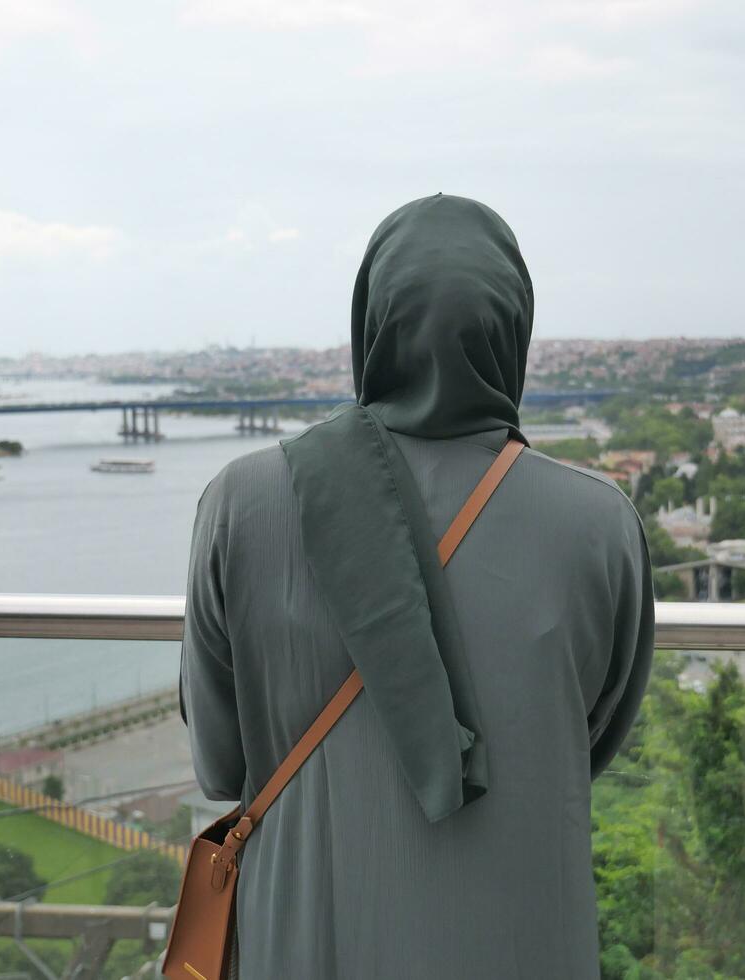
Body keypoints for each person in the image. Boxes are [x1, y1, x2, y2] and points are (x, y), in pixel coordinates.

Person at [180, 193, 655, 978]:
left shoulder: (241, 502)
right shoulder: (602, 524)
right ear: (515, 329)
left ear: (371, 322)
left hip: (307, 937)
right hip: (521, 935)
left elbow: (221, 761)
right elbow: (586, 742)